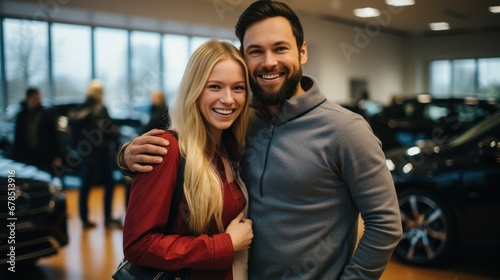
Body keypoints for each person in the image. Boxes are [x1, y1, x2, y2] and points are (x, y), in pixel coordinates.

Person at [117, 1, 402, 279]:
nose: (269, 62)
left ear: (302, 52)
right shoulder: (240, 121)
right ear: (244, 57)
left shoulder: (346, 130)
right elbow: (189, 143)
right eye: (256, 51)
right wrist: (127, 156)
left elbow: (386, 225)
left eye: (280, 48)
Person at [122, 40, 253, 280]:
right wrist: (224, 245)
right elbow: (139, 245)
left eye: (238, 88)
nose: (228, 99)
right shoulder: (168, 149)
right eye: (214, 87)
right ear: (195, 89)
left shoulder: (228, 148)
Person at [68, 80, 121, 229]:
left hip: (85, 153)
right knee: (109, 183)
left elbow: (73, 134)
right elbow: (108, 130)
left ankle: (84, 219)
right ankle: (108, 217)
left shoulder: (78, 110)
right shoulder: (100, 108)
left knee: (85, 185)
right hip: (100, 153)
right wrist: (117, 138)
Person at [13, 87, 61, 175]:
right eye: (34, 99)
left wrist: (56, 155)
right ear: (28, 99)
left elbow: (53, 135)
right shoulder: (21, 116)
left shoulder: (46, 114)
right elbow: (18, 137)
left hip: (43, 153)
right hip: (26, 153)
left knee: (44, 176)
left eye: (38, 99)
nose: (36, 101)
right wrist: (16, 156)